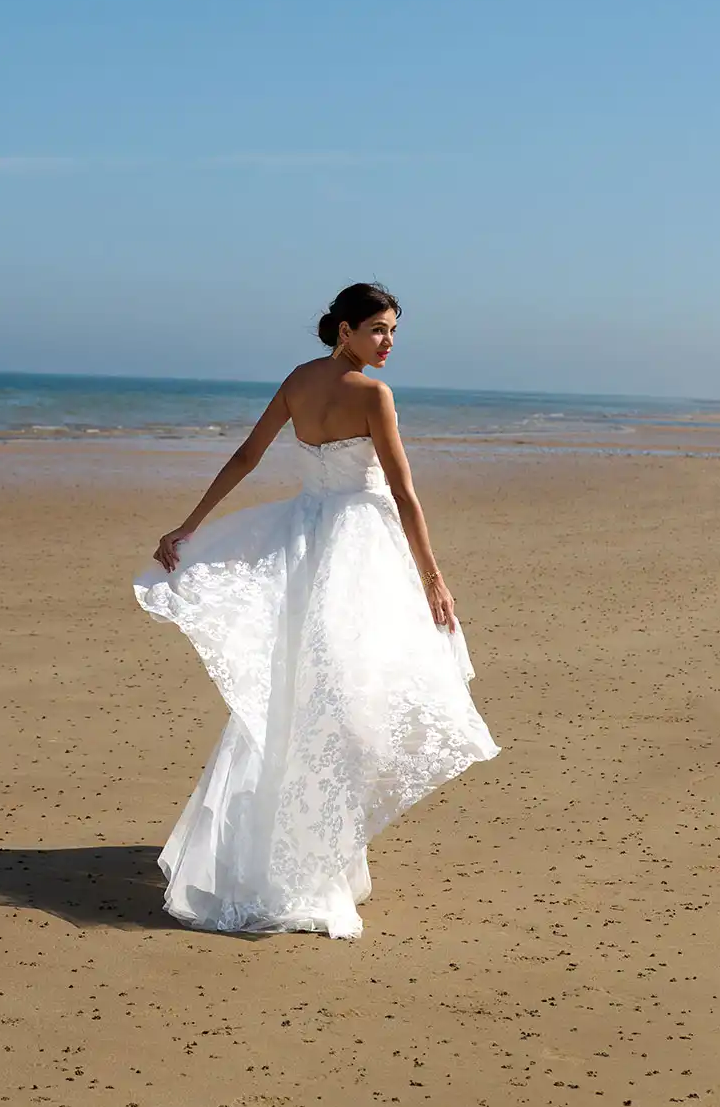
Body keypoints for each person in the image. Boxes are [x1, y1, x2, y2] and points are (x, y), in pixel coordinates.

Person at [134, 282, 499, 939]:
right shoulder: (374, 396)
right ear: (346, 331)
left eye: (393, 333)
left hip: (304, 538)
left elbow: (247, 457)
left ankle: (310, 850)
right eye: (380, 330)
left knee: (307, 693)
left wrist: (188, 527)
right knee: (339, 694)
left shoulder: (298, 382)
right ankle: (309, 862)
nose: (389, 344)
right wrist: (434, 579)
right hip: (356, 547)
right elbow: (406, 496)